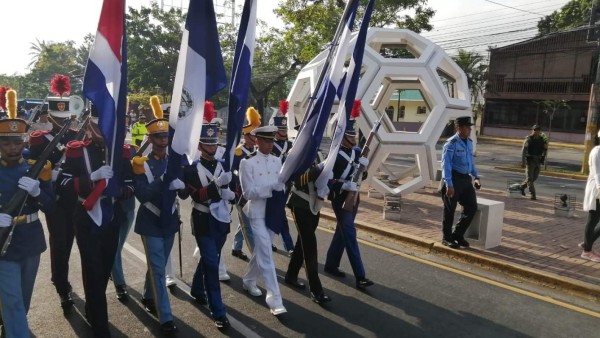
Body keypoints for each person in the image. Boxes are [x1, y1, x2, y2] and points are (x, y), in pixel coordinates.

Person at [57, 109, 134, 338]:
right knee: (92, 268)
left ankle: (93, 308)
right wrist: (90, 179)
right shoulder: (76, 151)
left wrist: (119, 190)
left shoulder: (120, 151)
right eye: (97, 126)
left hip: (111, 217)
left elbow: (131, 183)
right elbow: (62, 182)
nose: (102, 131)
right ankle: (100, 326)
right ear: (89, 125)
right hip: (86, 218)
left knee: (103, 270)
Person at [0, 90, 55, 337]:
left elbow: (51, 206)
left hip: (31, 240)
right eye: (6, 142)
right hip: (3, 245)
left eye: (17, 142)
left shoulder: (36, 168)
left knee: (23, 299)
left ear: (24, 142)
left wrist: (37, 192)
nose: (12, 147)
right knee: (12, 302)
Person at [180, 105, 232, 329]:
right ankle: (218, 310)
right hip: (202, 219)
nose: (211, 147)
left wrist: (232, 194)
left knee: (210, 258)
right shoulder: (191, 168)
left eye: (214, 143)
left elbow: (235, 190)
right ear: (199, 145)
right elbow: (195, 195)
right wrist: (216, 187)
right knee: (212, 262)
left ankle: (197, 288)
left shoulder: (223, 163)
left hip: (221, 220)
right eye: (207, 144)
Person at [131, 99, 180, 334]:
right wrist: (163, 181)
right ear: (150, 139)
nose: (162, 141)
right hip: (150, 221)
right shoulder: (141, 164)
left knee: (156, 265)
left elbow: (184, 190)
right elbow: (141, 194)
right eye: (158, 138)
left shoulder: (174, 161)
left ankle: (148, 295)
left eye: (165, 137)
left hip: (169, 221)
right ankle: (166, 317)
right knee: (159, 269)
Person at [239, 125, 287, 315]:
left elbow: (281, 186)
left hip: (273, 213)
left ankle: (249, 280)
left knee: (261, 250)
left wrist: (280, 188)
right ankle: (274, 299)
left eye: (272, 141)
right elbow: (247, 192)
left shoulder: (277, 161)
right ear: (257, 141)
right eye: (266, 141)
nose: (270, 144)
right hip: (257, 212)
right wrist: (271, 188)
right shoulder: (247, 163)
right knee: (266, 253)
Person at [323, 114, 374, 289]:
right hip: (341, 199)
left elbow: (362, 175)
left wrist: (363, 170)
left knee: (342, 233)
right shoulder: (333, 156)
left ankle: (330, 264)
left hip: (354, 198)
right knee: (350, 234)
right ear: (343, 136)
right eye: (351, 136)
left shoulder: (357, 152)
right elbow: (327, 180)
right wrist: (344, 185)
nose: (354, 138)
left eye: (354, 135)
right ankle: (360, 276)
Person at [285, 162, 333, 303]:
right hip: (299, 203)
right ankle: (316, 290)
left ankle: (291, 275)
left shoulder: (319, 155)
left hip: (314, 204)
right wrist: (317, 169)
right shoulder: (299, 154)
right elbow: (298, 181)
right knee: (310, 245)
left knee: (303, 242)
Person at [440, 116, 481, 249]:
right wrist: (449, 184)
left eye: (470, 127)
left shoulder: (469, 142)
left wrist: (476, 176)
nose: (470, 129)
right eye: (467, 127)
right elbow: (446, 165)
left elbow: (471, 161)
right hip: (454, 179)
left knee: (471, 207)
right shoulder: (451, 143)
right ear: (459, 128)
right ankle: (446, 238)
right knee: (449, 210)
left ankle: (458, 234)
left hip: (466, 179)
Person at [230, 107, 261, 260]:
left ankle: (236, 247)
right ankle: (257, 256)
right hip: (241, 192)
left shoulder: (257, 151)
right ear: (245, 135)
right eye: (252, 136)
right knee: (248, 224)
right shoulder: (238, 152)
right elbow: (232, 172)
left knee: (245, 221)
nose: (255, 139)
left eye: (256, 136)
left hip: (256, 192)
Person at [270, 100, 295, 254]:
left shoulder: (291, 145)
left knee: (277, 213)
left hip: (286, 185)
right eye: (281, 128)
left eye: (285, 128)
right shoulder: (270, 144)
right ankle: (289, 245)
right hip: (272, 183)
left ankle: (272, 240)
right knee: (276, 214)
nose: (284, 131)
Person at [580, 130, 600, 262]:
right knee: (592, 219)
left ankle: (587, 243)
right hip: (596, 189)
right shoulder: (597, 151)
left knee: (594, 218)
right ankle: (586, 251)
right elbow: (598, 172)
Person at [519, 124, 548, 200]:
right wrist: (523, 162)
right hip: (530, 160)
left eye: (538, 130)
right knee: (529, 178)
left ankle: (521, 187)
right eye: (535, 130)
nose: (536, 131)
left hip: (538, 161)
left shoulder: (542, 139)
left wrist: (545, 150)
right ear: (532, 130)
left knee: (534, 177)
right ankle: (533, 195)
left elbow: (544, 150)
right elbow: (524, 151)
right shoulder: (529, 139)